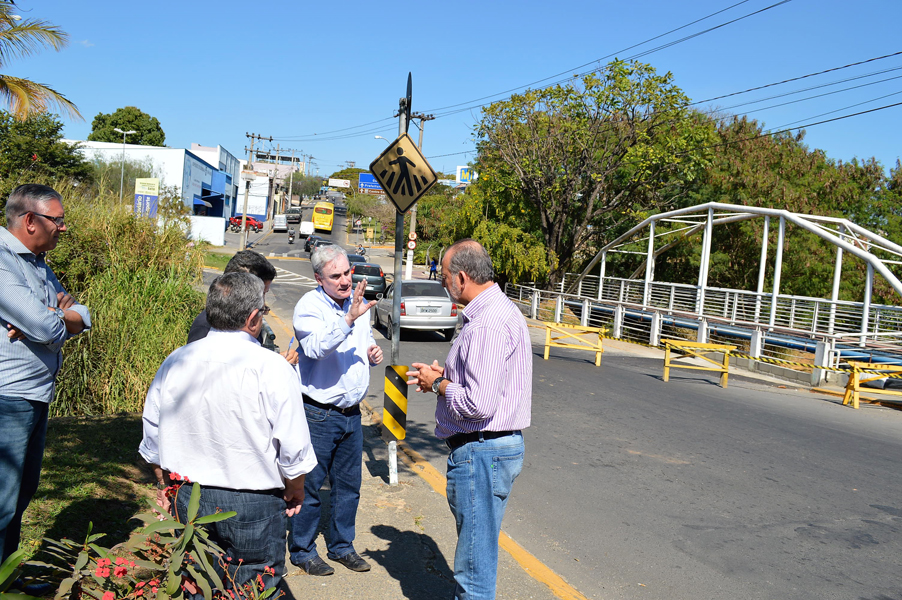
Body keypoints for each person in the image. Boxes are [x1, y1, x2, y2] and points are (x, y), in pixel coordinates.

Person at [139, 272, 316, 594]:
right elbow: (293, 445)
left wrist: (164, 480)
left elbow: (152, 432)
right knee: (253, 585)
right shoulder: (272, 367)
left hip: (188, 495)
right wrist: (295, 487)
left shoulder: (175, 360)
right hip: (252, 503)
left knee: (196, 582)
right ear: (252, 318)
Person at [407, 239, 532, 600]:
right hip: (493, 449)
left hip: (481, 451)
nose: (443, 283)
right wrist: (446, 378)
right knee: (479, 554)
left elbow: (478, 404)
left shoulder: (485, 325)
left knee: (474, 571)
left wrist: (439, 384)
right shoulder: (500, 311)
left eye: (445, 276)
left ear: (462, 278)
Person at [0, 184, 91, 563]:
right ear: (30, 221)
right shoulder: (3, 259)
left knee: (21, 494)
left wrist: (55, 316)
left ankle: (7, 575)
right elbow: (47, 327)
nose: (63, 228)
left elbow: (83, 315)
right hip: (8, 397)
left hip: (35, 395)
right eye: (58, 220)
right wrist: (52, 316)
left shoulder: (37, 263)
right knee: (3, 500)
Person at [288, 244, 383, 576]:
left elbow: (365, 336)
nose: (345, 281)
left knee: (348, 486)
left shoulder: (358, 304)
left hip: (352, 414)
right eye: (336, 276)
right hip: (319, 414)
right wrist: (347, 320)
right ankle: (302, 550)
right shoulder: (309, 307)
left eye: (347, 273)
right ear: (319, 278)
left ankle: (342, 546)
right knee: (311, 486)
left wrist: (371, 350)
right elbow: (314, 349)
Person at [187, 250, 298, 365]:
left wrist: (273, 360)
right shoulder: (204, 328)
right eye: (261, 294)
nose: (263, 303)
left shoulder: (249, 320)